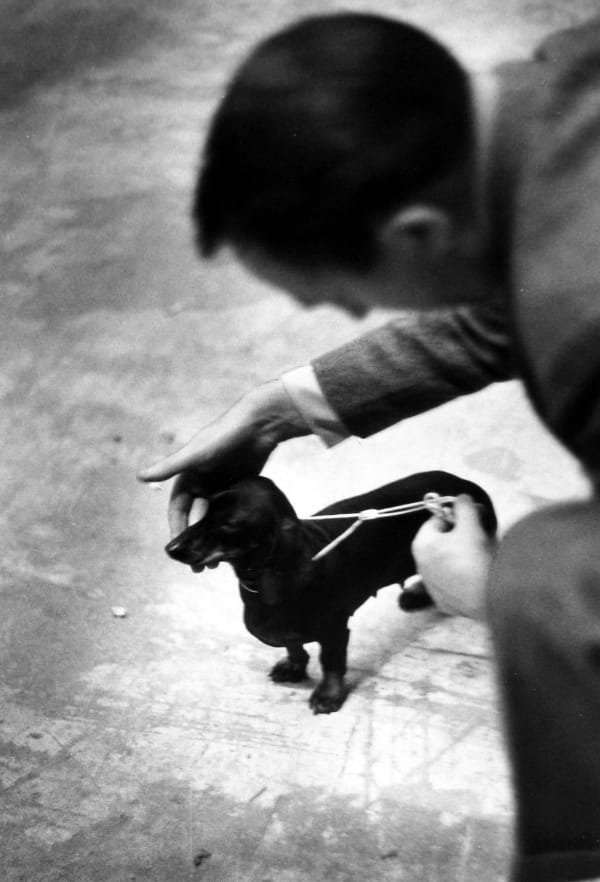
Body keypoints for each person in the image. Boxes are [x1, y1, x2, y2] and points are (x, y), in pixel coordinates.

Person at [138, 13, 600, 882]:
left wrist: (497, 593)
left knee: (548, 578)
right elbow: (506, 298)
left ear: (418, 233)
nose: (354, 317)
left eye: (349, 294)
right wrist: (276, 409)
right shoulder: (564, 86)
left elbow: (546, 301)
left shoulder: (585, 321)